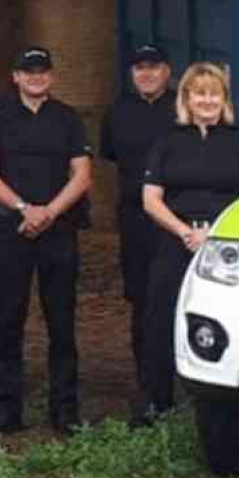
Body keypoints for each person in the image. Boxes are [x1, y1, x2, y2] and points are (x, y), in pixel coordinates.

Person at [138, 62, 239, 425]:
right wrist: (185, 232)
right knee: (159, 318)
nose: (206, 100)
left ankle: (226, 407)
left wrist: (213, 234)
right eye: (199, 93)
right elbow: (151, 199)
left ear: (223, 99)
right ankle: (155, 402)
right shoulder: (168, 140)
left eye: (214, 93)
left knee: (227, 320)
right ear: (187, 98)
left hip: (227, 248)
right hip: (175, 240)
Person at [0, 47, 92, 435]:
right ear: (15, 76)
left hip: (58, 231)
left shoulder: (67, 118)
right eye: (28, 71)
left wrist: (50, 212)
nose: (35, 77)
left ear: (52, 77)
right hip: (12, 230)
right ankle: (6, 408)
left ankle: (65, 408)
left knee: (61, 322)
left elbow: (81, 175)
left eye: (42, 71)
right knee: (8, 319)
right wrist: (25, 208)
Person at [100, 44, 177, 392]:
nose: (146, 74)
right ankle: (147, 378)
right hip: (134, 217)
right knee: (141, 296)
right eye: (139, 68)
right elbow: (112, 156)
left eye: (153, 67)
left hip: (177, 217)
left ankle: (184, 375)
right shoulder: (117, 111)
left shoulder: (182, 108)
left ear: (167, 71)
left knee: (176, 294)